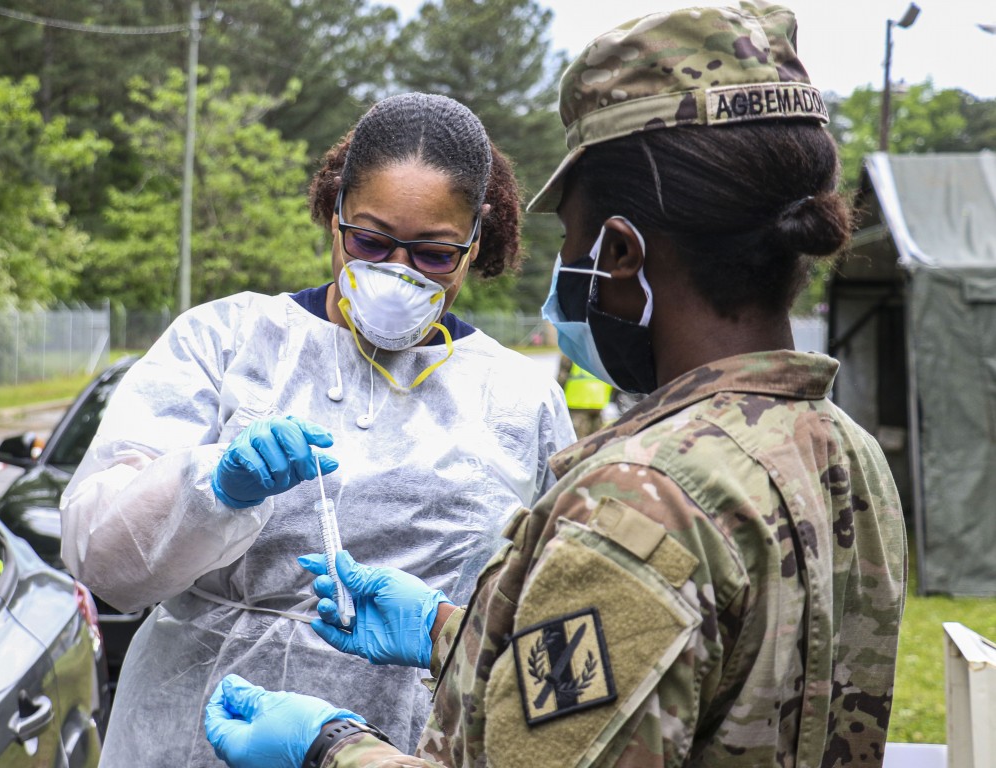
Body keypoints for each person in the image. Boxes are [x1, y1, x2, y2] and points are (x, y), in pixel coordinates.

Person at [203, 3, 908, 767]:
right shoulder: (846, 456)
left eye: (571, 239)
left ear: (622, 253)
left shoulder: (641, 503)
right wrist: (449, 629)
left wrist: (328, 748)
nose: (565, 266)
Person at [60, 92, 576, 766]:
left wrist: (439, 632)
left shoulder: (520, 400)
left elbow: (558, 622)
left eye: (433, 255)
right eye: (370, 241)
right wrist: (210, 488)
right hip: (193, 735)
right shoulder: (226, 341)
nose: (397, 273)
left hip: (404, 745)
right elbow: (101, 558)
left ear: (474, 243)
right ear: (334, 217)